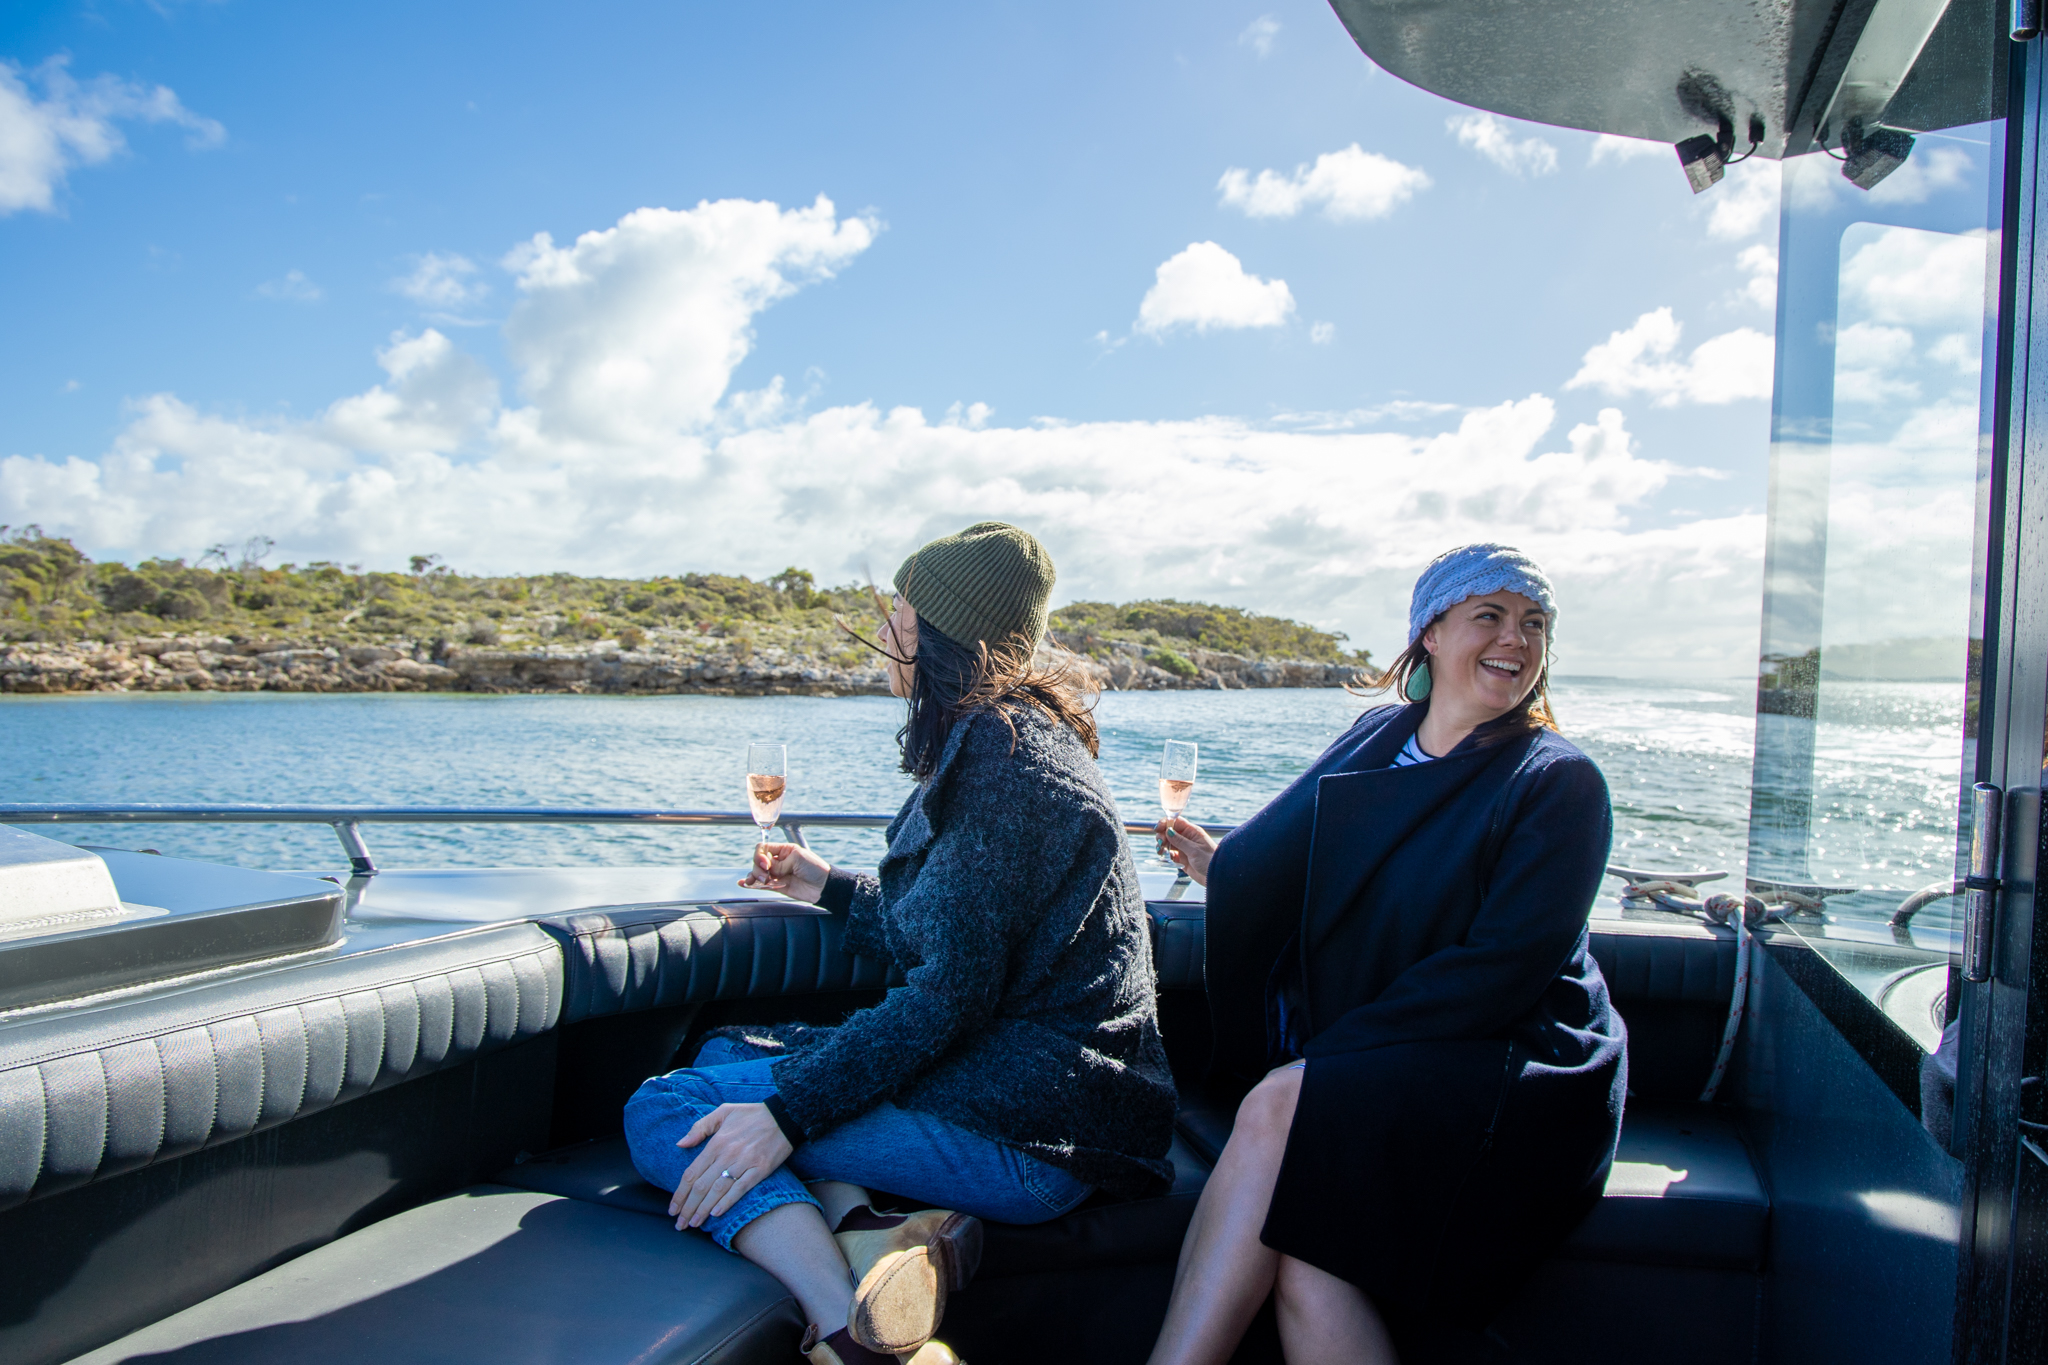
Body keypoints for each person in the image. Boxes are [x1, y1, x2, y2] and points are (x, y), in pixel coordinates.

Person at [623, 522, 1178, 1365]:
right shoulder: (1005, 738)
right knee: (732, 1042)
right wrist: (827, 885)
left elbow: (947, 993)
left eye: (903, 615)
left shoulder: (1005, 767)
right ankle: (868, 1231)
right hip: (1029, 1094)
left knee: (666, 1108)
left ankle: (850, 1331)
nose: (886, 634)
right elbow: (958, 932)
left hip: (1035, 1137)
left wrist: (785, 1113)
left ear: (941, 635)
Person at [1149, 543, 1626, 1365]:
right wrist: (1222, 867)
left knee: (1277, 1106)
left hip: (1519, 1068)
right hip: (1408, 1049)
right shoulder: (1380, 734)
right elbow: (1291, 856)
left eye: (1534, 622)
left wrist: (1321, 1065)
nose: (1515, 638)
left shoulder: (1556, 781)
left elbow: (1500, 973)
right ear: (1431, 633)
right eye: (1490, 615)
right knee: (1307, 1254)